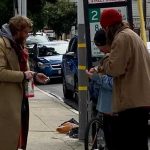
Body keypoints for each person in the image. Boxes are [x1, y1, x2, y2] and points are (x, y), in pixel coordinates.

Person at [99, 8, 150, 150]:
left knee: (129, 143)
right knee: (139, 143)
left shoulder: (121, 38)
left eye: (104, 28)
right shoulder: (133, 35)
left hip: (130, 102)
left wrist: (104, 63)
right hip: (141, 99)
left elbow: (115, 69)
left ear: (108, 27)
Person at [0, 16, 49, 150]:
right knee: (8, 138)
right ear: (17, 30)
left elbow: (23, 70)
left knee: (19, 136)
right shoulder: (2, 44)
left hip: (21, 98)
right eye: (26, 32)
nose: (27, 35)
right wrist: (23, 75)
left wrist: (34, 75)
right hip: (7, 100)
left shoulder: (18, 44)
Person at [86, 29, 114, 150]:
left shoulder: (114, 57)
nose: (100, 50)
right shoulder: (109, 57)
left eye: (100, 46)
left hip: (112, 107)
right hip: (107, 107)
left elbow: (113, 82)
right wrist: (97, 69)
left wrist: (96, 77)